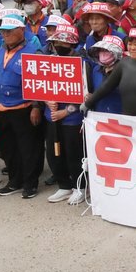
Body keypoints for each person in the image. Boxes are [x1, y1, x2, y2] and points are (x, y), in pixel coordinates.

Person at [0, 16, 44, 199]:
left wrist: (36, 106)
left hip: (24, 108)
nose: (6, 34)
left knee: (28, 149)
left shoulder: (34, 52)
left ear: (22, 30)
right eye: (3, 31)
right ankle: (14, 181)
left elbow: (39, 83)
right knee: (8, 149)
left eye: (10, 31)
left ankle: (30, 184)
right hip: (1, 108)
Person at [42, 22, 87, 204]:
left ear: (73, 45)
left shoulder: (82, 63)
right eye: (56, 43)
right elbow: (39, 85)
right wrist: (47, 101)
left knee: (73, 154)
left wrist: (66, 111)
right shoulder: (48, 61)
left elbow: (84, 94)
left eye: (64, 44)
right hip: (51, 116)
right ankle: (64, 185)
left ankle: (80, 187)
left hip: (72, 118)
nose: (59, 47)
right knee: (54, 154)